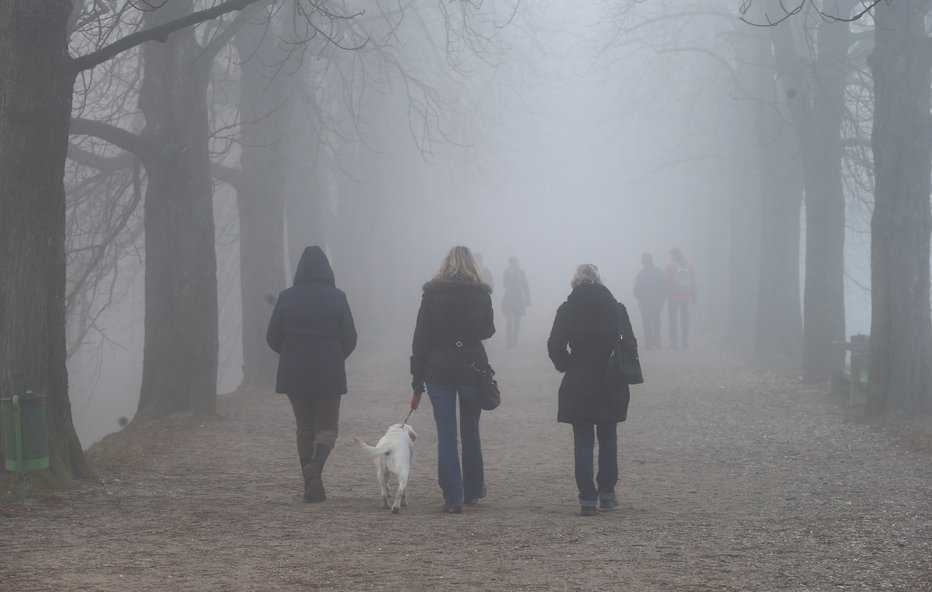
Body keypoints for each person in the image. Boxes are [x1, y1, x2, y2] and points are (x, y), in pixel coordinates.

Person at [267, 246, 357, 503]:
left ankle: (310, 485)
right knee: (328, 426)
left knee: (305, 427)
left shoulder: (286, 297)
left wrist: (290, 354)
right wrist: (336, 357)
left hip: (294, 372)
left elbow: (272, 336)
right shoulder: (338, 297)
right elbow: (350, 337)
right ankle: (316, 468)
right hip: (328, 370)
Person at [410, 246, 495, 514]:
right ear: (472, 266)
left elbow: (421, 337)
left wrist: (417, 378)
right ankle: (473, 488)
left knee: (446, 433)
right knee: (471, 431)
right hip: (471, 368)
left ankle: (453, 495)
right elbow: (488, 330)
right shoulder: (481, 294)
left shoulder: (432, 294)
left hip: (438, 369)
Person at [547, 264, 636, 516]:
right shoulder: (617, 309)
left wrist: (567, 365)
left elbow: (555, 345)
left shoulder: (566, 309)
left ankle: (587, 497)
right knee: (608, 436)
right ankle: (607, 492)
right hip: (610, 376)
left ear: (575, 281)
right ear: (599, 280)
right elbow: (630, 344)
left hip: (579, 376)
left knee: (583, 439)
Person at [633, 252, 667, 350]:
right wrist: (662, 300)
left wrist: (639, 297)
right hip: (655, 301)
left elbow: (636, 289)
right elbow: (664, 287)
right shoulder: (659, 272)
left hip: (646, 302)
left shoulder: (641, 273)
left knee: (647, 322)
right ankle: (656, 342)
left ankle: (649, 343)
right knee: (656, 322)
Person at [665, 247, 698, 349]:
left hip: (673, 297)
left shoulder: (670, 266)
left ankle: (673, 343)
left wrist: (666, 295)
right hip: (685, 296)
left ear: (673, 255)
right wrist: (694, 296)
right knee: (685, 320)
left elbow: (667, 282)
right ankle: (685, 342)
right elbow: (693, 281)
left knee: (673, 320)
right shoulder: (688, 266)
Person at [501, 256, 531, 347]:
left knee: (517, 321)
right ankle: (509, 341)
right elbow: (505, 285)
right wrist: (512, 278)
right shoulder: (506, 272)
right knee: (509, 320)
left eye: (515, 263)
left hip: (518, 299)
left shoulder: (521, 272)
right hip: (509, 298)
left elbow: (525, 286)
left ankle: (515, 341)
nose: (513, 264)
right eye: (511, 263)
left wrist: (528, 299)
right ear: (509, 264)